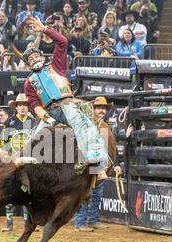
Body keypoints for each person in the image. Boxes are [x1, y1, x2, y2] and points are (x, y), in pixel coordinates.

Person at [23, 17, 109, 181]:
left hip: (67, 105)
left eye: (35, 56)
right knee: (31, 142)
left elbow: (62, 42)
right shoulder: (29, 82)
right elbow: (35, 105)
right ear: (28, 64)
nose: (33, 59)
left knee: (85, 127)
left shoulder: (56, 65)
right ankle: (24, 178)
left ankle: (98, 171)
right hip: (49, 113)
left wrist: (44, 29)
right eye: (30, 59)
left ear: (42, 56)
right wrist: (48, 119)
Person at [74, 96, 113, 231]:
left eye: (103, 108)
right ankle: (80, 223)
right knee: (85, 191)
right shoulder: (87, 123)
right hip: (87, 162)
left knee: (97, 192)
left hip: (100, 163)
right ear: (93, 109)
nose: (101, 111)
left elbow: (110, 146)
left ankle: (93, 220)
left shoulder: (105, 126)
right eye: (99, 108)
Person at [0, 93, 36, 232]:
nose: (22, 107)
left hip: (29, 162)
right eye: (20, 105)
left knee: (29, 192)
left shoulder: (33, 122)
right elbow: (4, 142)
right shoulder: (10, 122)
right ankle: (9, 224)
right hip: (14, 162)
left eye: (25, 105)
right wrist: (9, 157)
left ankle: (30, 223)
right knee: (11, 190)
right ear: (16, 107)